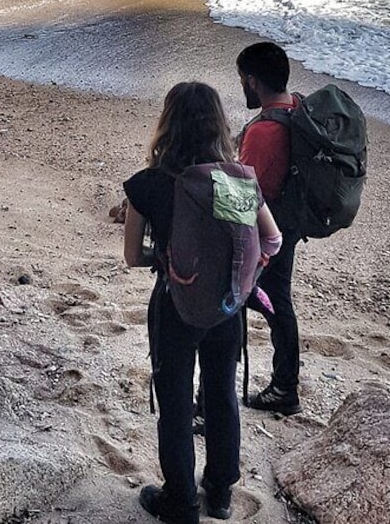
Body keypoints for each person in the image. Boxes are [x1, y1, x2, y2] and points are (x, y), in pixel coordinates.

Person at [123, 82, 282, 523]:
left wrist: (170, 261)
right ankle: (220, 492)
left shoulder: (148, 184)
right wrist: (245, 276)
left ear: (167, 124)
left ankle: (180, 501)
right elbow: (272, 238)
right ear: (218, 124)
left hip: (174, 306)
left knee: (174, 403)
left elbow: (133, 256)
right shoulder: (234, 181)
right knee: (221, 393)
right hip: (227, 305)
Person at [236, 42, 304, 415]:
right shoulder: (295, 106)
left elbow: (245, 190)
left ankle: (283, 387)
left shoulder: (262, 131)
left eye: (242, 80)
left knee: (250, 299)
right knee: (278, 299)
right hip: (288, 224)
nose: (242, 86)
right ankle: (284, 384)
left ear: (252, 80)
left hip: (265, 231)